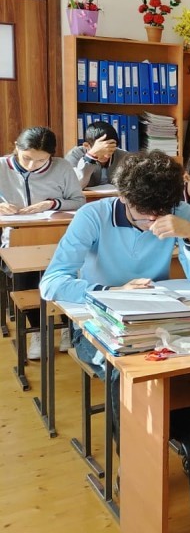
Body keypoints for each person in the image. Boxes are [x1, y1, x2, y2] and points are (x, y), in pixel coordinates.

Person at [38, 150, 190, 495]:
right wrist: (111, 291)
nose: (152, 224)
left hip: (157, 320)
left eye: (160, 215)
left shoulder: (179, 212)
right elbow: (52, 283)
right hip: (96, 323)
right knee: (124, 372)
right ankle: (133, 462)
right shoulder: (93, 216)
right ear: (123, 197)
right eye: (143, 217)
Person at [0, 126, 85, 360]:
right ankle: (37, 331)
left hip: (58, 238)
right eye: (27, 158)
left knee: (66, 277)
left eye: (40, 161)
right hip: (18, 239)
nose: (31, 166)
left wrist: (52, 204)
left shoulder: (62, 167)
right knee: (25, 278)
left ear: (51, 156)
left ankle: (68, 327)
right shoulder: (2, 167)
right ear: (16, 148)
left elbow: (79, 201)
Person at [65, 120, 130, 189]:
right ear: (87, 146)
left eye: (110, 150)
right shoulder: (74, 156)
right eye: (102, 150)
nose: (107, 156)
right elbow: (72, 187)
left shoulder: (125, 157)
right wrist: (91, 155)